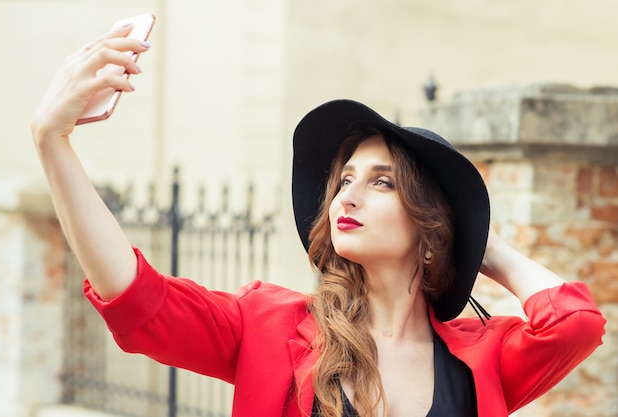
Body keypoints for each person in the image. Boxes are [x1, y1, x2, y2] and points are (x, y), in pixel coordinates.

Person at [31, 25, 605, 417]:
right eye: (344, 180)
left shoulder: (482, 355)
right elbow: (137, 300)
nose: (346, 197)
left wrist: (488, 250)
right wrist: (53, 143)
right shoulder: (268, 328)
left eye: (381, 182)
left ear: (431, 224)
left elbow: (576, 325)